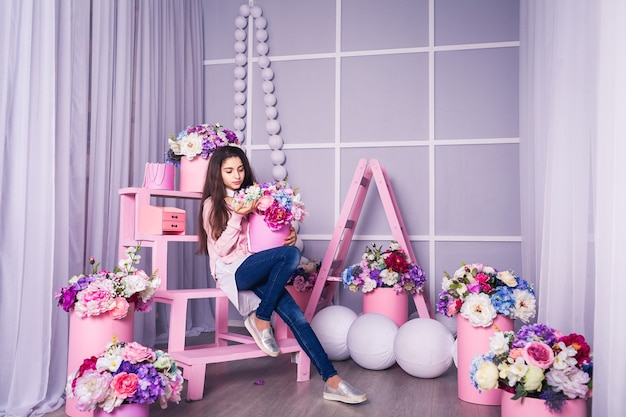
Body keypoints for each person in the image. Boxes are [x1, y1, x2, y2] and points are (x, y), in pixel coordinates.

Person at [197, 145, 367, 404]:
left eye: (241, 169)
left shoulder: (254, 198)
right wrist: (237, 217)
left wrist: (290, 234)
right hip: (232, 270)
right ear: (217, 174)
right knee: (289, 256)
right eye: (229, 170)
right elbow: (219, 249)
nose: (237, 175)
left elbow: (268, 233)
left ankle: (333, 381)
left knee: (298, 318)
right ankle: (262, 318)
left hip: (257, 265)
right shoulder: (213, 204)